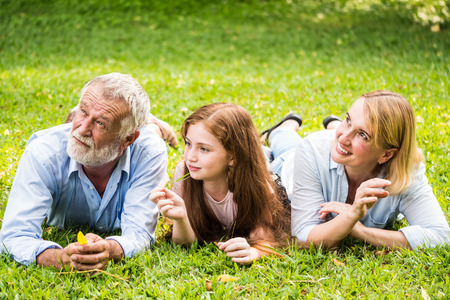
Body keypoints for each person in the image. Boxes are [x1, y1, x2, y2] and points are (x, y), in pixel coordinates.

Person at [0, 73, 168, 269]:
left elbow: (140, 233)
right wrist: (59, 258)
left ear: (128, 140)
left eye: (101, 123)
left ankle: (154, 127)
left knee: (151, 139)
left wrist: (111, 249)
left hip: (139, 144)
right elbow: (14, 235)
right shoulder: (42, 153)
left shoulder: (149, 153)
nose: (82, 129)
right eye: (83, 112)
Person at [264, 90, 450, 250]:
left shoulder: (407, 172)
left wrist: (360, 229)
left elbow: (440, 236)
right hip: (289, 166)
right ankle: (283, 128)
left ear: (386, 155)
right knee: (287, 147)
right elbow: (304, 234)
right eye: (348, 120)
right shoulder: (312, 149)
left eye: (363, 134)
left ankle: (335, 124)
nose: (344, 137)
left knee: (342, 144)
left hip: (338, 152)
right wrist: (352, 216)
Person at [150, 103, 291, 265]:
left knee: (287, 150)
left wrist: (254, 252)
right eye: (188, 143)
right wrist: (180, 217)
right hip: (246, 160)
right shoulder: (185, 172)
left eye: (204, 149)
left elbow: (265, 240)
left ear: (233, 156)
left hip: (279, 169)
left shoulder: (257, 186)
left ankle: (283, 129)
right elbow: (184, 244)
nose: (190, 157)